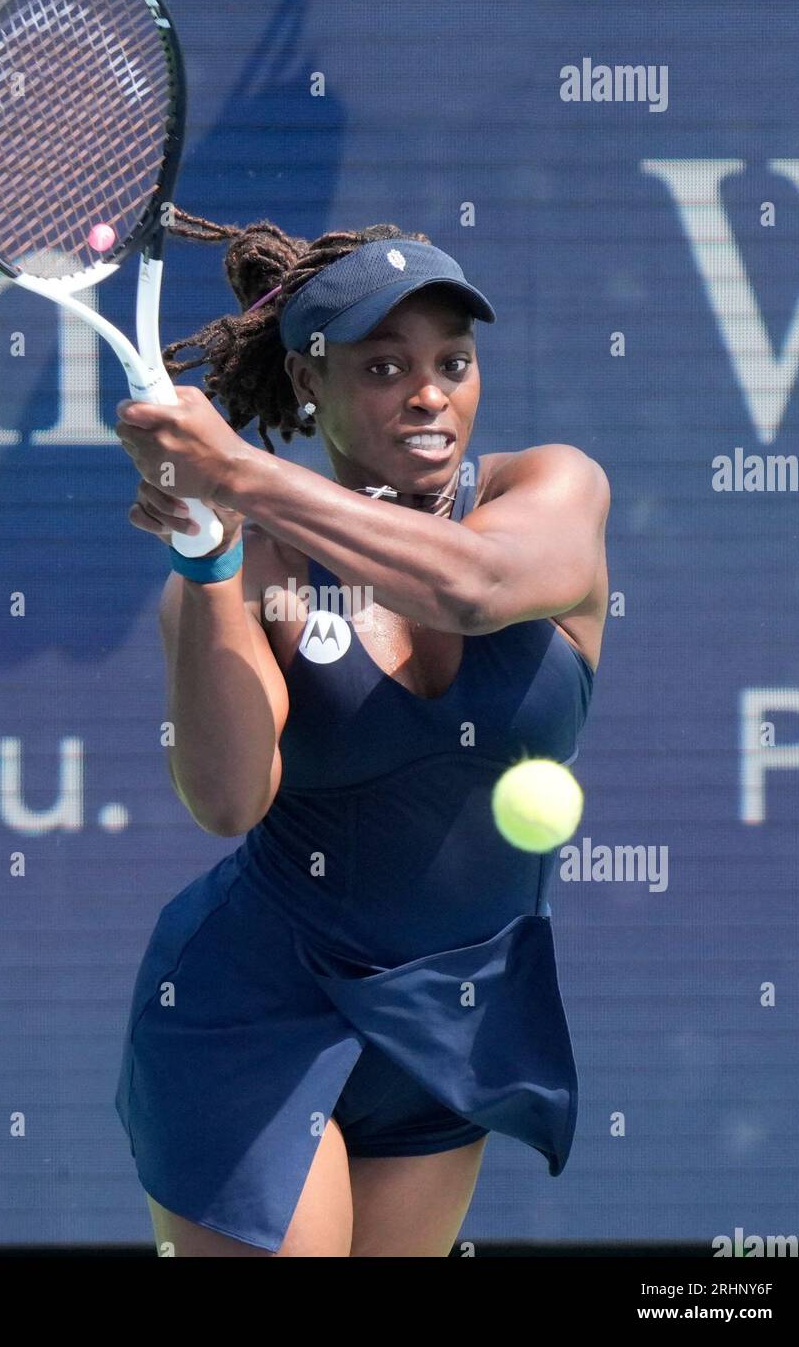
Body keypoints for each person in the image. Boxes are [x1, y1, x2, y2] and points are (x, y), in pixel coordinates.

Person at [113, 210, 610, 1257]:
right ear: (310, 384)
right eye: (383, 365)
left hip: (451, 1017)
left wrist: (242, 477)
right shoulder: (260, 567)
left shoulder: (552, 487)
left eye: (452, 361)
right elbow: (228, 798)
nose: (430, 392)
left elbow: (476, 588)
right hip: (251, 1011)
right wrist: (209, 566)